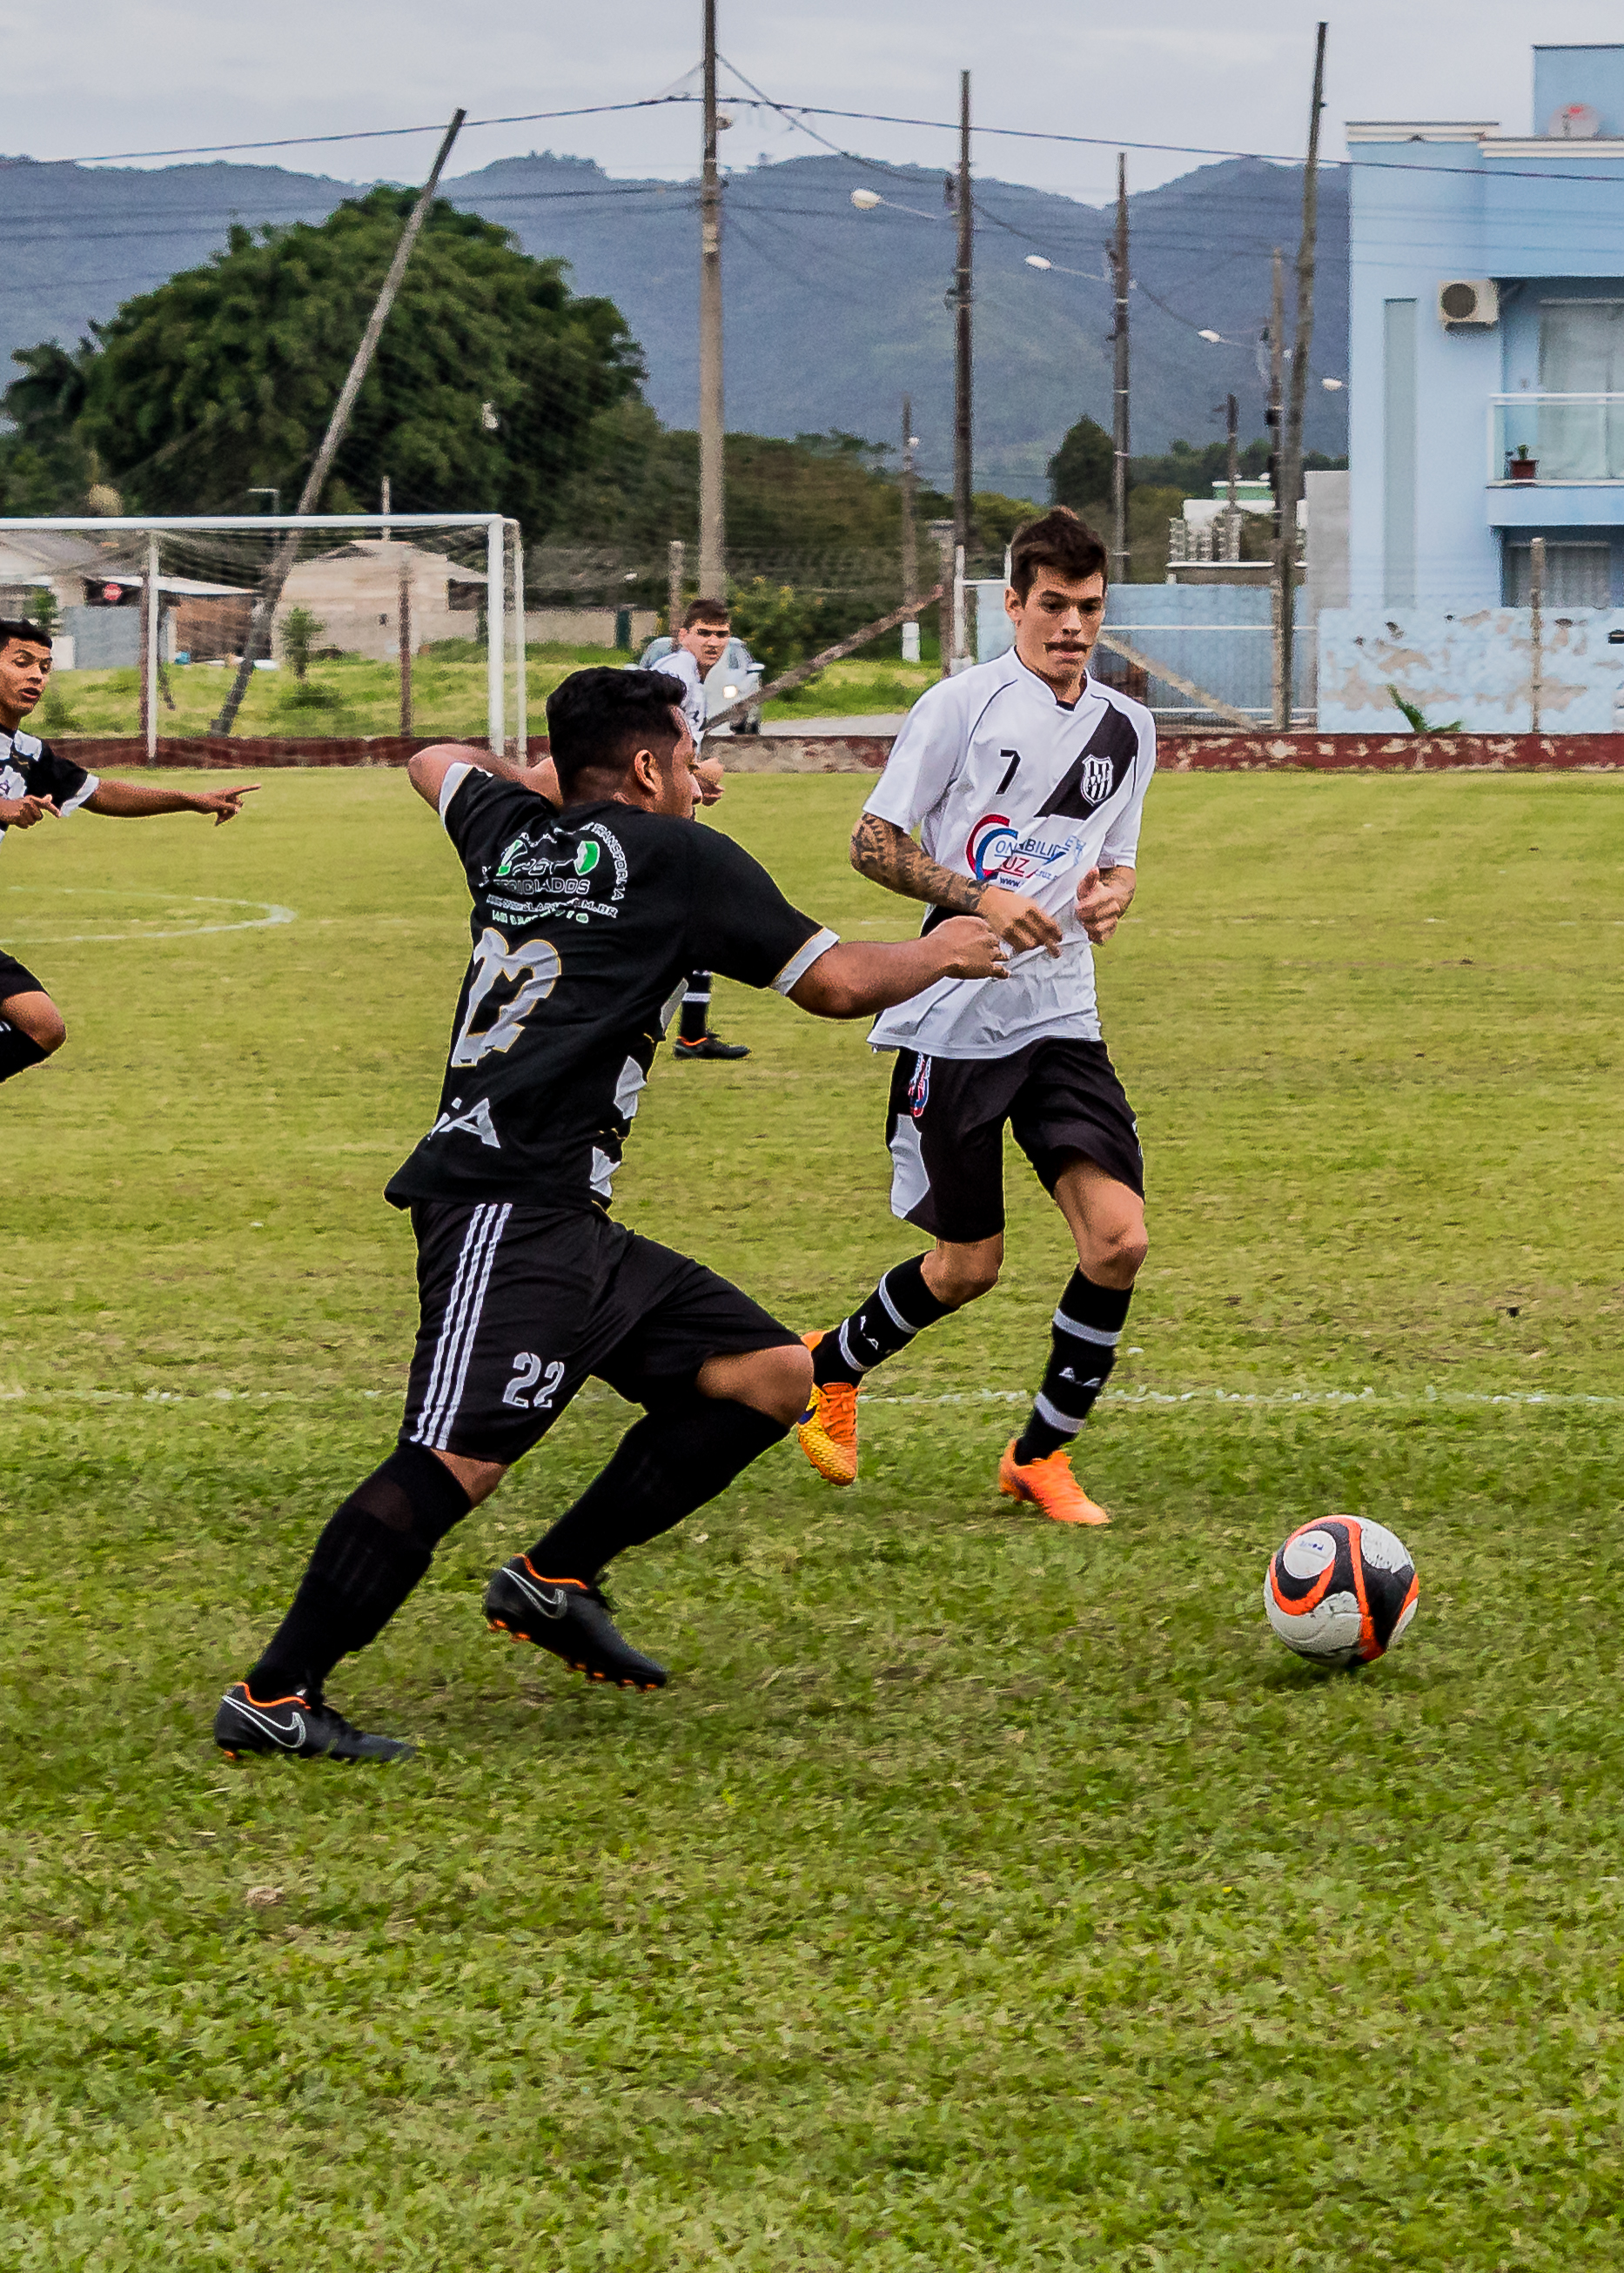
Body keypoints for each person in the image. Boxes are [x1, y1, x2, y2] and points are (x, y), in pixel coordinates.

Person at [214, 665, 1005, 1763]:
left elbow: (432, 759)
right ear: (648, 766)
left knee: (775, 1374)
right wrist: (947, 946)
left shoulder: (510, 830)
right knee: (454, 1458)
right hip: (505, 1201)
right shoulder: (679, 858)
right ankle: (276, 1692)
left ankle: (555, 1580)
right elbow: (834, 983)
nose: (700, 774)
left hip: (568, 1215)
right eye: (687, 756)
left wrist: (563, 786)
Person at [795, 508, 1154, 1527]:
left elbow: (1116, 853)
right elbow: (871, 842)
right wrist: (976, 896)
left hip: (1062, 1017)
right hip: (950, 1021)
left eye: (1088, 608)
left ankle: (1039, 1454)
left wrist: (1114, 893)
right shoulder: (960, 704)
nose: (1072, 626)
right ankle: (829, 1365)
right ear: (1013, 603)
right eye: (1053, 605)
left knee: (1118, 1241)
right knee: (967, 1268)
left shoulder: (1131, 727)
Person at [0, 617, 256, 1086]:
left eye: (45, 667)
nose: (37, 676)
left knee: (40, 1026)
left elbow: (99, 793)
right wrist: (3, 808)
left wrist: (190, 800)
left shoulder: (27, 754)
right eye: (21, 663)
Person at [652, 596, 750, 1063]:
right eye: (704, 632)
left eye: (721, 633)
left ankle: (691, 1032)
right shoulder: (676, 674)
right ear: (683, 634)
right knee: (690, 919)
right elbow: (655, 741)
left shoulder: (692, 677)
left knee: (697, 917)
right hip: (656, 821)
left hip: (670, 812)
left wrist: (692, 781)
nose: (713, 641)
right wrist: (695, 769)